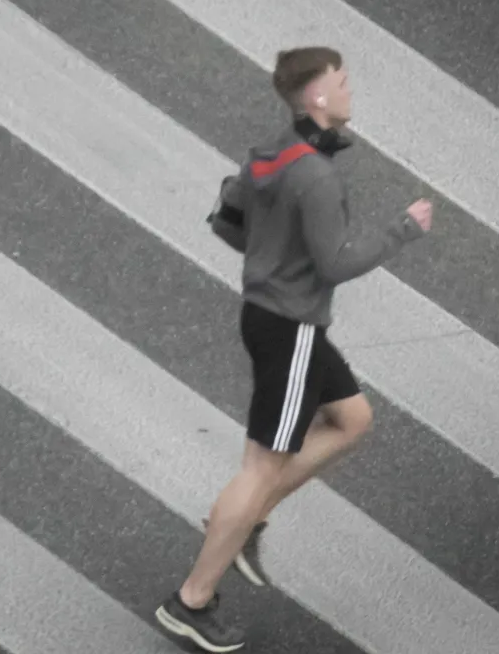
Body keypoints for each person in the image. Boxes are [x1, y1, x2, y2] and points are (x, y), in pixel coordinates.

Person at [155, 47, 432, 652]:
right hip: (292, 328)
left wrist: (271, 258)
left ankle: (244, 521)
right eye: (343, 81)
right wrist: (402, 231)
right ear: (318, 97)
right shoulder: (317, 176)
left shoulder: (268, 154)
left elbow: (227, 221)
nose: (350, 89)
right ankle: (192, 600)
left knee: (353, 419)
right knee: (261, 467)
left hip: (267, 317)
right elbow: (336, 264)